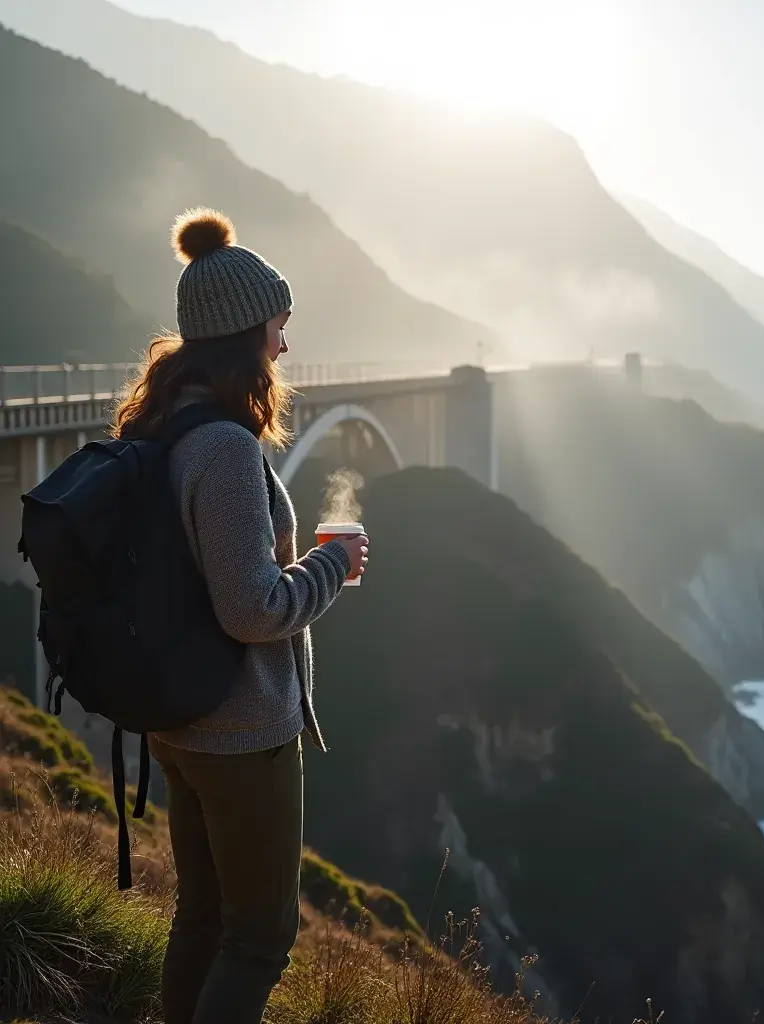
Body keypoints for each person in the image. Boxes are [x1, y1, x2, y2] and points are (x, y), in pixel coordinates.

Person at [112, 207, 368, 1024]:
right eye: (278, 327)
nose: (284, 347)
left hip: (181, 721)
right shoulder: (223, 448)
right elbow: (254, 609)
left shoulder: (161, 424)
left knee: (203, 918)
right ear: (243, 334)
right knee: (259, 939)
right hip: (241, 731)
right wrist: (332, 565)